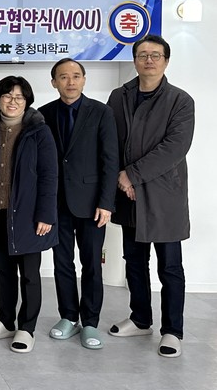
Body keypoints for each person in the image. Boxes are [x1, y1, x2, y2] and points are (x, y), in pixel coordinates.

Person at [107, 34, 195, 358]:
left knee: (169, 266)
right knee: (134, 261)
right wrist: (120, 178)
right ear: (134, 61)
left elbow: (174, 148)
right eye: (142, 55)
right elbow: (110, 141)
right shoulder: (119, 96)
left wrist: (131, 174)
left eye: (155, 55)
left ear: (166, 61)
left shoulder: (180, 101)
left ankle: (172, 330)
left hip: (163, 196)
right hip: (127, 195)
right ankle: (140, 319)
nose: (149, 60)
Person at [39, 58, 119, 350]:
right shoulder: (43, 114)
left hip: (91, 203)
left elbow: (110, 160)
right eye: (63, 77)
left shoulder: (101, 112)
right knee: (62, 263)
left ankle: (91, 322)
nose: (70, 82)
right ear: (54, 82)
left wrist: (106, 202)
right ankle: (69, 317)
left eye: (75, 76)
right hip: (56, 203)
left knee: (92, 264)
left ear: (84, 80)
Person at [0, 76, 58, 353]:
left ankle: (27, 327)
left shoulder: (38, 131)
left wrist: (46, 215)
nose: (12, 102)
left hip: (28, 215)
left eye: (19, 97)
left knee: (30, 274)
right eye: (7, 96)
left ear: (27, 101)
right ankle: (5, 320)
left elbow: (49, 176)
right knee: (3, 270)